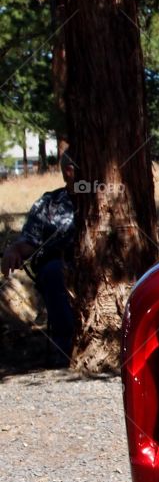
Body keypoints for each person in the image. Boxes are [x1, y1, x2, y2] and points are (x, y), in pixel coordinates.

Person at [1, 150, 78, 367]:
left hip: (105, 268)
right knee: (54, 272)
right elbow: (29, 241)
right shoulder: (49, 203)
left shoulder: (105, 197)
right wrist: (14, 249)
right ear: (69, 172)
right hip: (59, 266)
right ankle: (66, 348)